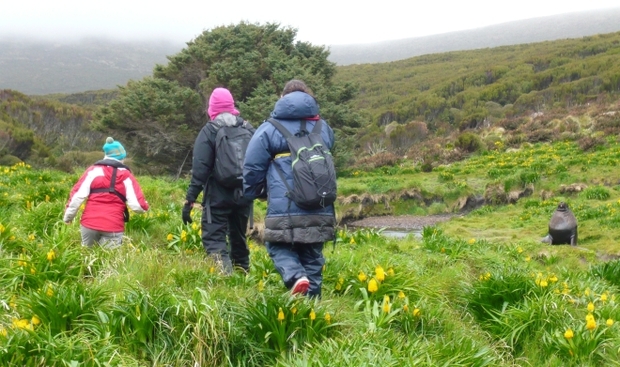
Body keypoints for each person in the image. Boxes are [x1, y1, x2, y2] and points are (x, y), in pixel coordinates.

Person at [243, 80, 336, 297]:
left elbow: (252, 166)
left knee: (277, 245)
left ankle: (295, 276)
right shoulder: (324, 128)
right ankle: (312, 316)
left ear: (282, 98)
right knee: (313, 258)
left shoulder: (269, 128)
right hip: (320, 204)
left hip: (284, 204)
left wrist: (255, 193)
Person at [183, 87, 255, 274]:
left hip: (217, 197)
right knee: (238, 237)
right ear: (232, 106)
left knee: (215, 240)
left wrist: (190, 200)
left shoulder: (209, 131)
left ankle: (224, 281)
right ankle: (243, 276)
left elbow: (200, 169)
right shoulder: (247, 128)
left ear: (212, 108)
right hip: (244, 195)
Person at [63, 137, 149, 248]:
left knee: (86, 257)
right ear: (121, 157)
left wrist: (68, 217)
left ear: (106, 155)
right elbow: (138, 206)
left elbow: (77, 196)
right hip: (113, 226)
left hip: (89, 224)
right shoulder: (126, 175)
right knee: (108, 262)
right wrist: (146, 207)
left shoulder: (92, 171)